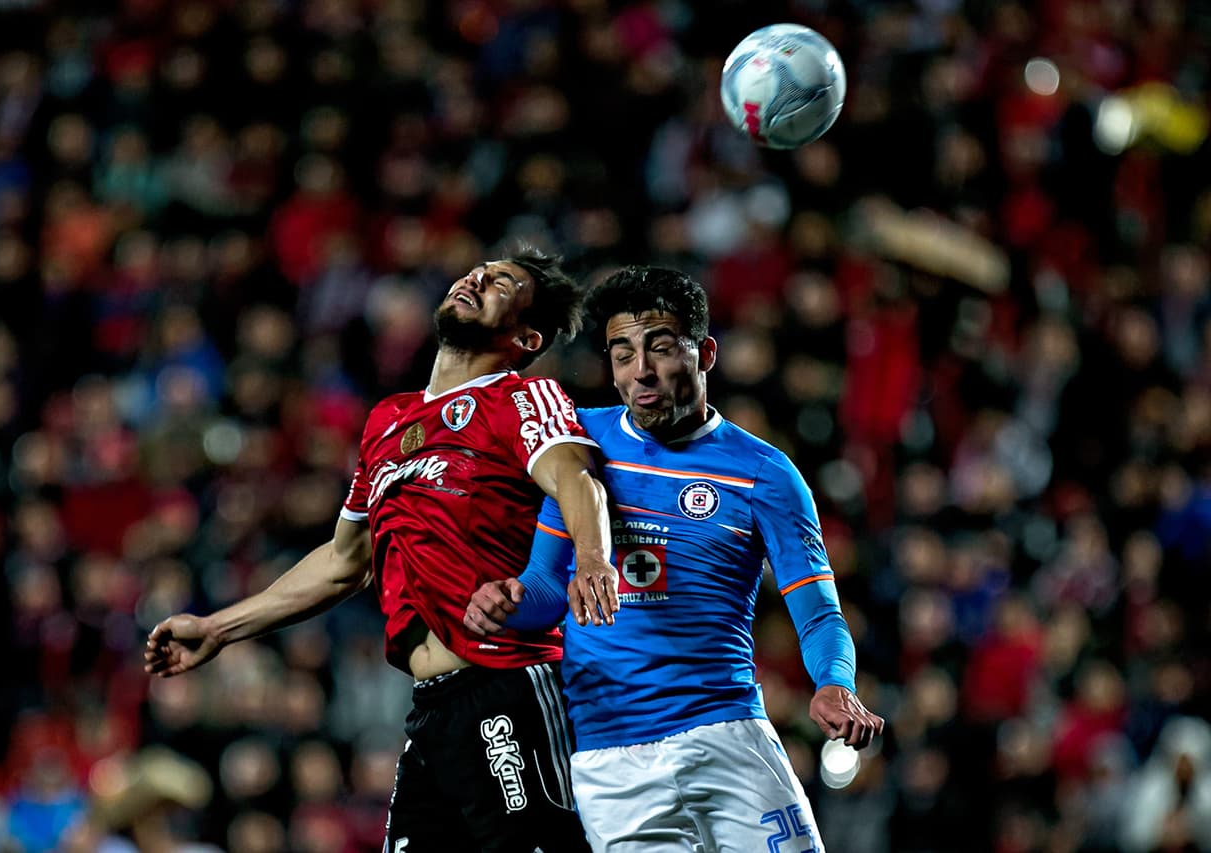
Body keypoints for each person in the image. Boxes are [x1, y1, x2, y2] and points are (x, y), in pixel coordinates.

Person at [144, 246, 620, 853]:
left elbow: (575, 479)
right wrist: (219, 628)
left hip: (508, 686)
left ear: (527, 337)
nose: (477, 277)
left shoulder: (521, 399)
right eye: (480, 269)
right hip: (430, 709)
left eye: (504, 284)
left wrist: (592, 559)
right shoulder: (389, 422)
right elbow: (346, 561)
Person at [465, 266, 884, 852]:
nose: (641, 371)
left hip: (727, 732)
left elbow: (818, 615)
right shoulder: (580, 446)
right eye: (621, 354)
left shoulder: (764, 474)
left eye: (660, 348)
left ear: (704, 353)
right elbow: (547, 587)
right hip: (610, 758)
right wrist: (509, 602)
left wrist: (834, 683)